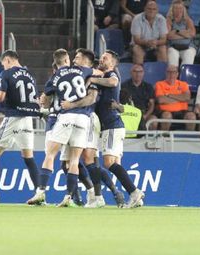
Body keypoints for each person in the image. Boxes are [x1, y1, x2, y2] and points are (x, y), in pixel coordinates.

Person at [32, 49, 102, 207]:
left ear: (56, 63)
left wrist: (42, 100)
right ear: (66, 60)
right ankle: (69, 197)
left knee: (50, 155)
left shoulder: (54, 77)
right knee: (75, 160)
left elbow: (45, 100)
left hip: (65, 116)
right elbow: (98, 72)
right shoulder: (81, 70)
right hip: (84, 119)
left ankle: (40, 192)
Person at [58, 48, 126, 209]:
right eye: (73, 57)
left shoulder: (95, 75)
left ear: (86, 61)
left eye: (78, 57)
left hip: (87, 118)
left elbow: (94, 97)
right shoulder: (80, 74)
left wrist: (71, 104)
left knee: (86, 159)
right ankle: (94, 195)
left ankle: (99, 195)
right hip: (77, 118)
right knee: (74, 161)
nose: (74, 60)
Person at [0, 50, 41, 206]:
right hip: (28, 119)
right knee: (28, 157)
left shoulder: (7, 73)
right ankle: (40, 194)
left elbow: (0, 97)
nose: (3, 66)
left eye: (3, 63)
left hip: (14, 117)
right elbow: (36, 99)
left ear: (8, 60)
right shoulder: (30, 75)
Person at [90, 50, 145, 208]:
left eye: (105, 58)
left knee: (108, 163)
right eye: (101, 57)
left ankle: (134, 192)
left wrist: (92, 78)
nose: (101, 60)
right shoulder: (105, 75)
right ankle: (136, 198)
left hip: (111, 125)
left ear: (113, 63)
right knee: (116, 164)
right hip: (115, 125)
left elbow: (113, 82)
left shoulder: (110, 74)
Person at [154, 64, 196, 131]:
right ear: (166, 73)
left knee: (192, 116)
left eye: (173, 72)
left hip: (182, 111)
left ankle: (189, 139)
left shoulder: (183, 84)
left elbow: (187, 97)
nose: (171, 74)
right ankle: (164, 138)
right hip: (165, 111)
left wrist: (169, 95)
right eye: (169, 72)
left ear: (177, 74)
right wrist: (180, 99)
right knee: (166, 116)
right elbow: (160, 100)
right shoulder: (159, 84)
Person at [120, 63, 157, 130]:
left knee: (153, 120)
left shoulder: (149, 87)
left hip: (145, 114)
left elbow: (152, 105)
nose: (138, 74)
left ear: (143, 73)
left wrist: (146, 116)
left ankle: (151, 140)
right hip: (130, 114)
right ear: (131, 73)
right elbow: (122, 104)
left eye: (140, 71)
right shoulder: (124, 86)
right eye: (135, 71)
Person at [130, 0, 167, 64]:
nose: (151, 11)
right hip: (140, 45)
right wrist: (147, 42)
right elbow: (136, 40)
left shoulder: (162, 19)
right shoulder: (137, 19)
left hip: (156, 45)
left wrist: (156, 42)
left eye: (154, 9)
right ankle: (139, 72)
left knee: (163, 48)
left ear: (157, 10)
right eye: (149, 9)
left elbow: (164, 39)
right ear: (144, 9)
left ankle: (161, 72)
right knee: (137, 49)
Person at [166, 0, 196, 67]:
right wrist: (185, 35)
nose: (178, 10)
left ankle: (184, 76)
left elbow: (192, 34)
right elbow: (168, 36)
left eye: (180, 8)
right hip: (173, 46)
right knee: (172, 63)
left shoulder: (188, 20)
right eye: (176, 8)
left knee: (188, 60)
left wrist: (177, 31)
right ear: (172, 10)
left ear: (183, 10)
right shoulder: (169, 20)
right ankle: (173, 76)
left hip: (188, 46)